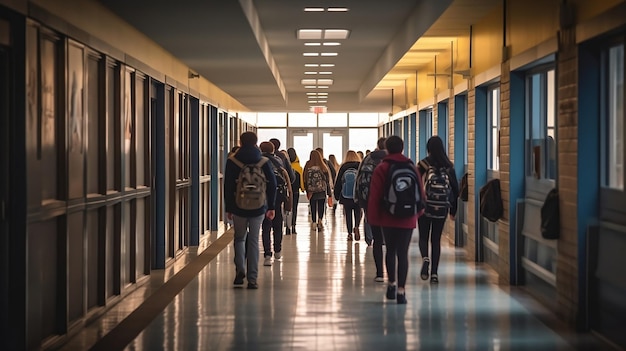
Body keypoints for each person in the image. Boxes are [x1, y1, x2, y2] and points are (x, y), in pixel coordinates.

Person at [367, 135, 425, 304]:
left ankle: (391, 284)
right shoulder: (412, 167)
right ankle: (402, 291)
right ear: (402, 148)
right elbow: (420, 193)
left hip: (388, 216)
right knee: (403, 253)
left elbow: (375, 196)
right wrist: (416, 214)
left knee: (390, 251)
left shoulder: (382, 168)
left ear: (386, 148)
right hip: (408, 218)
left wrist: (373, 218)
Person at [224, 132, 277, 289]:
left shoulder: (232, 161)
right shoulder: (264, 161)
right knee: (253, 240)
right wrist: (271, 206)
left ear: (240, 142)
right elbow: (272, 184)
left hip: (238, 206)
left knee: (239, 239)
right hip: (259, 207)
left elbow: (228, 186)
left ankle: (240, 270)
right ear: (256, 143)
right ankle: (252, 279)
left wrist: (229, 208)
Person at [416, 135, 459, 284]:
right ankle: (434, 274)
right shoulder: (449, 166)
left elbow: (415, 185)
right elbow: (455, 189)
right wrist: (453, 211)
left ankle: (425, 259)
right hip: (441, 208)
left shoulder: (422, 164)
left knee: (423, 237)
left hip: (425, 206)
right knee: (436, 240)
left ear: (428, 148)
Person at [355, 137, 387, 281]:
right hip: (390, 204)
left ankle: (380, 273)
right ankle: (392, 275)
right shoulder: (393, 160)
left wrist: (359, 200)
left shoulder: (368, 159)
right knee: (391, 240)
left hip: (370, 202)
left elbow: (359, 179)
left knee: (377, 239)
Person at [259, 142, 293, 267]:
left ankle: (268, 254)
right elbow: (291, 177)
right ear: (273, 149)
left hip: (261, 196)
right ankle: (277, 250)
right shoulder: (280, 160)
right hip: (278, 196)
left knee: (266, 225)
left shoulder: (257, 161)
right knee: (277, 223)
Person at [334, 150, 362, 241]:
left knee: (348, 214)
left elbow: (338, 182)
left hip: (346, 195)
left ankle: (349, 234)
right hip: (357, 195)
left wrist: (337, 195)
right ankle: (357, 226)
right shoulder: (360, 166)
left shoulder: (344, 167)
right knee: (358, 212)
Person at [303, 150, 333, 230]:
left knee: (313, 206)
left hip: (311, 191)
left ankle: (313, 222)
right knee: (321, 205)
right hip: (321, 190)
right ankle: (320, 220)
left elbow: (305, 178)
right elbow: (327, 181)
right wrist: (329, 193)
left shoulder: (308, 165)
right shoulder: (323, 165)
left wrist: (307, 190)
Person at [287, 148, 304, 234]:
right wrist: (303, 188)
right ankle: (293, 225)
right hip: (295, 191)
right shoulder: (298, 167)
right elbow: (301, 179)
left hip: (286, 191)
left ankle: (287, 226)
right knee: (294, 208)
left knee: (286, 208)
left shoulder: (286, 166)